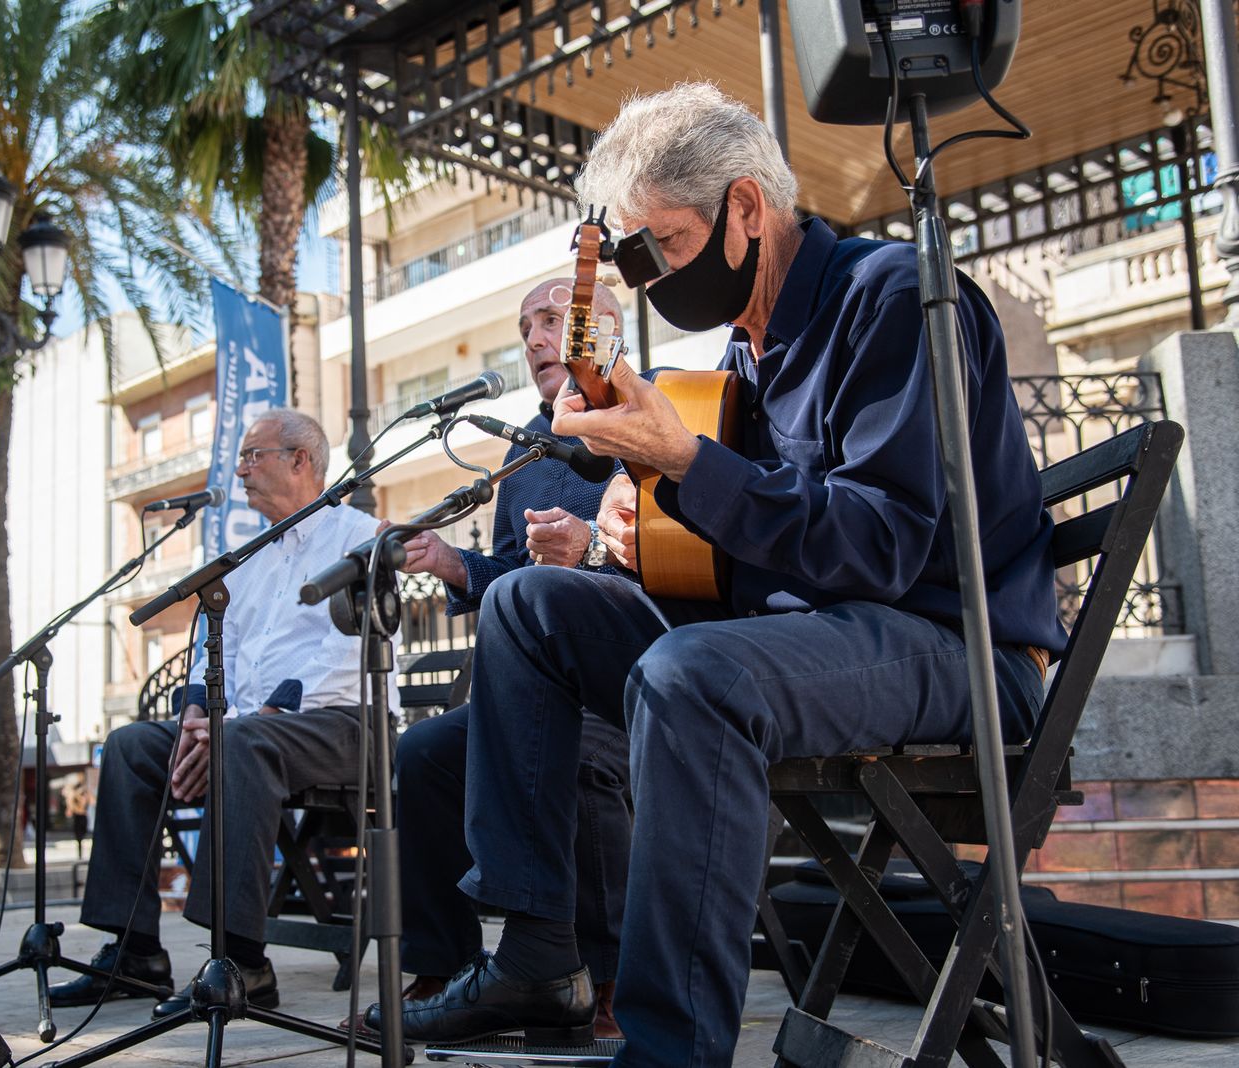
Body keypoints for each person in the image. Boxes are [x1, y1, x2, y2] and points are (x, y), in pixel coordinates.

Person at [376, 81, 1065, 1064]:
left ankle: (668, 1050)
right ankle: (537, 951)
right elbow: (743, 568)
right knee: (530, 603)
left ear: (746, 208)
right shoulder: (746, 356)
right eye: (630, 257)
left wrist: (690, 466)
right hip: (814, 639)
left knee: (691, 674)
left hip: (947, 644)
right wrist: (643, 514)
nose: (649, 279)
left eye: (662, 246)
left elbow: (877, 547)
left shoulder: (894, 295)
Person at [49, 410, 400, 1014]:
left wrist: (245, 722)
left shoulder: (360, 536)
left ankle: (241, 964)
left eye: (252, 455)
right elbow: (221, 648)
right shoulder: (251, 555)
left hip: (347, 724)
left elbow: (345, 652)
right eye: (241, 458)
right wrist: (196, 717)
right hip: (252, 731)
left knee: (243, 744)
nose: (240, 469)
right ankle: (136, 954)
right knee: (133, 746)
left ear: (301, 460)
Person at [364, 278, 634, 1039]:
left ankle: (606, 981)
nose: (535, 339)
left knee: (581, 753)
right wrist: (453, 562)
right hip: (538, 680)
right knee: (421, 755)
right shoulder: (524, 450)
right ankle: (444, 967)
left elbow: (680, 560)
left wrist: (592, 552)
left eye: (552, 320)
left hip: (632, 671)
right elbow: (510, 573)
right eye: (526, 326)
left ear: (606, 330)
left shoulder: (649, 417)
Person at [65, 780, 92, 858]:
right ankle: (80, 853)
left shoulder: (84, 797)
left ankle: (81, 853)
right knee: (79, 837)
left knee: (82, 835)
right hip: (78, 817)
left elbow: (91, 801)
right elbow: (70, 809)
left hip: (82, 817)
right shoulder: (74, 798)